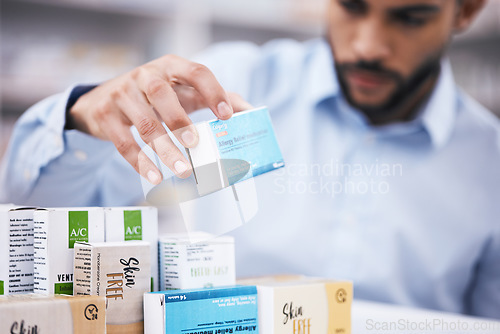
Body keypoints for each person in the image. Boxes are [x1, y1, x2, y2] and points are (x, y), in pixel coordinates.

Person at [1, 0, 499, 319]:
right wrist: (79, 120)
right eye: (351, 5)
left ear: (466, 11)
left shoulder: (490, 162)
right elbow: (36, 220)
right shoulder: (226, 86)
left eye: (410, 16)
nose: (367, 46)